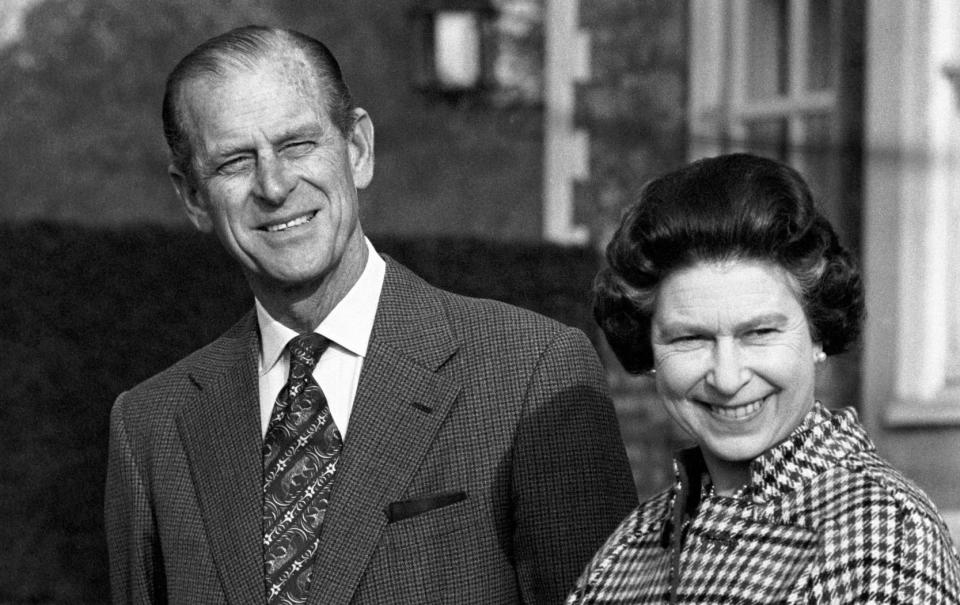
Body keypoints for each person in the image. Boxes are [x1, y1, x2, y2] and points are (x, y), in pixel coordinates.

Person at [104, 25, 638, 605]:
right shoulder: (152, 427)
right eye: (235, 162)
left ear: (357, 149)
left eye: (297, 144)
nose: (275, 184)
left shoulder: (530, 374)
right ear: (191, 198)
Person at [566, 153, 960, 603]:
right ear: (649, 350)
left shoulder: (880, 534)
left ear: (818, 334)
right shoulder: (627, 550)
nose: (727, 378)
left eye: (759, 333)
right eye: (691, 338)